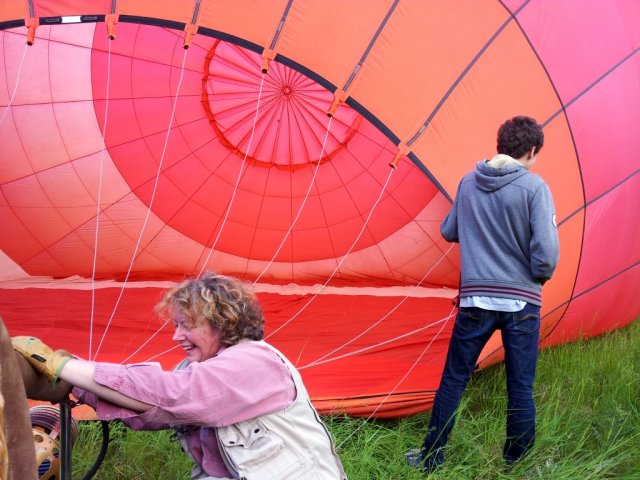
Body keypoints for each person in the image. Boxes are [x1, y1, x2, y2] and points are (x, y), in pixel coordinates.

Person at [12, 272, 347, 480]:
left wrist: (61, 364)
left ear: (224, 322)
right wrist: (69, 384)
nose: (177, 337)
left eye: (188, 325)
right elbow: (153, 410)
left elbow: (173, 394)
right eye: (176, 325)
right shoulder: (197, 369)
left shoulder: (255, 362)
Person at [406, 115, 559, 473]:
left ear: (500, 144)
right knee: (520, 384)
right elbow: (547, 254)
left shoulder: (469, 182)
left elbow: (448, 230)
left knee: (454, 379)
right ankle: (515, 461)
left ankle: (431, 457)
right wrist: (538, 277)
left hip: (476, 300)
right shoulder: (535, 188)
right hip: (522, 302)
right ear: (532, 150)